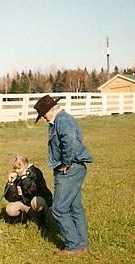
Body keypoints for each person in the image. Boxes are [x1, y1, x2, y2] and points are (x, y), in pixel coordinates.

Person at [33, 95, 93, 255]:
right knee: (75, 207)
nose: (45, 119)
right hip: (77, 168)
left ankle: (73, 245)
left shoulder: (61, 121)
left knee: (59, 209)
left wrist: (66, 163)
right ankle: (82, 243)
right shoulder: (61, 120)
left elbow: (70, 141)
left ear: (51, 110)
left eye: (44, 115)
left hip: (69, 169)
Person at [4, 155, 52, 225]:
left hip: (38, 202)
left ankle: (42, 220)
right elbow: (10, 198)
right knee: (10, 209)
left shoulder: (35, 173)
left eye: (19, 168)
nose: (16, 171)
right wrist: (10, 183)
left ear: (26, 166)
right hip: (25, 203)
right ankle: (22, 218)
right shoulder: (16, 176)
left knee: (37, 202)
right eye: (15, 168)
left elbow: (32, 192)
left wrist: (25, 179)